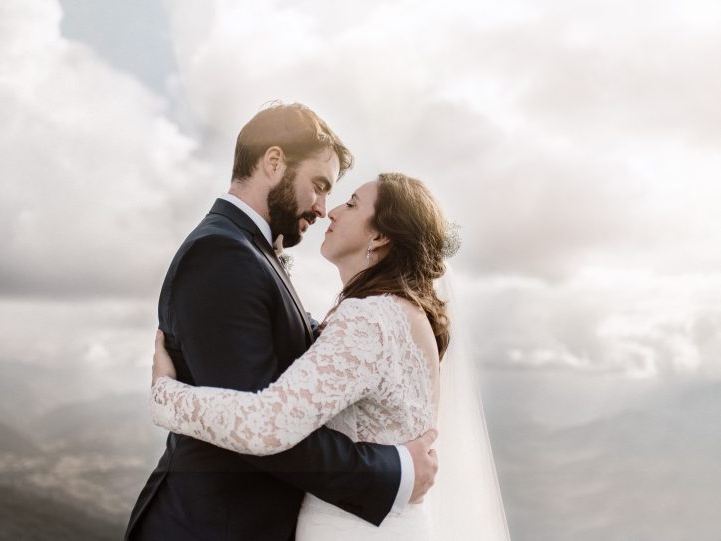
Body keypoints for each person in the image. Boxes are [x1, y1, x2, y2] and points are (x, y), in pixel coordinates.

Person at [125, 104, 439, 541]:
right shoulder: (222, 254)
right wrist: (395, 471)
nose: (324, 208)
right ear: (274, 162)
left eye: (342, 199)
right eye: (319, 185)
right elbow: (262, 428)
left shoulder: (252, 253)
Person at [149, 172, 511, 539]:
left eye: (351, 203)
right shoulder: (405, 314)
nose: (332, 211)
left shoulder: (370, 319)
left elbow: (268, 426)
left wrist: (167, 397)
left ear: (380, 235)